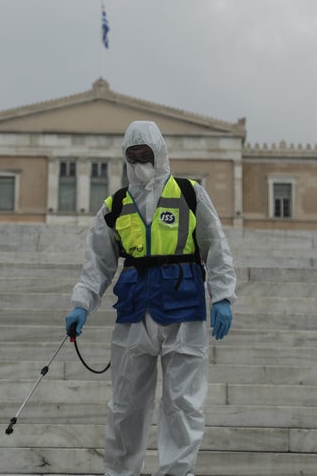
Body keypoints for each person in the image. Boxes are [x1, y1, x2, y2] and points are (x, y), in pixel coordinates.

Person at [66, 120, 237, 476]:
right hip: (133, 313)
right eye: (134, 155)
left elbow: (215, 245)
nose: (141, 160)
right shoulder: (115, 205)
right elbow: (98, 261)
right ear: (125, 158)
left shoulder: (189, 193)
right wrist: (81, 304)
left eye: (147, 154)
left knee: (183, 404)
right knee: (126, 406)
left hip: (183, 311)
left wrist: (222, 295)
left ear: (160, 153)